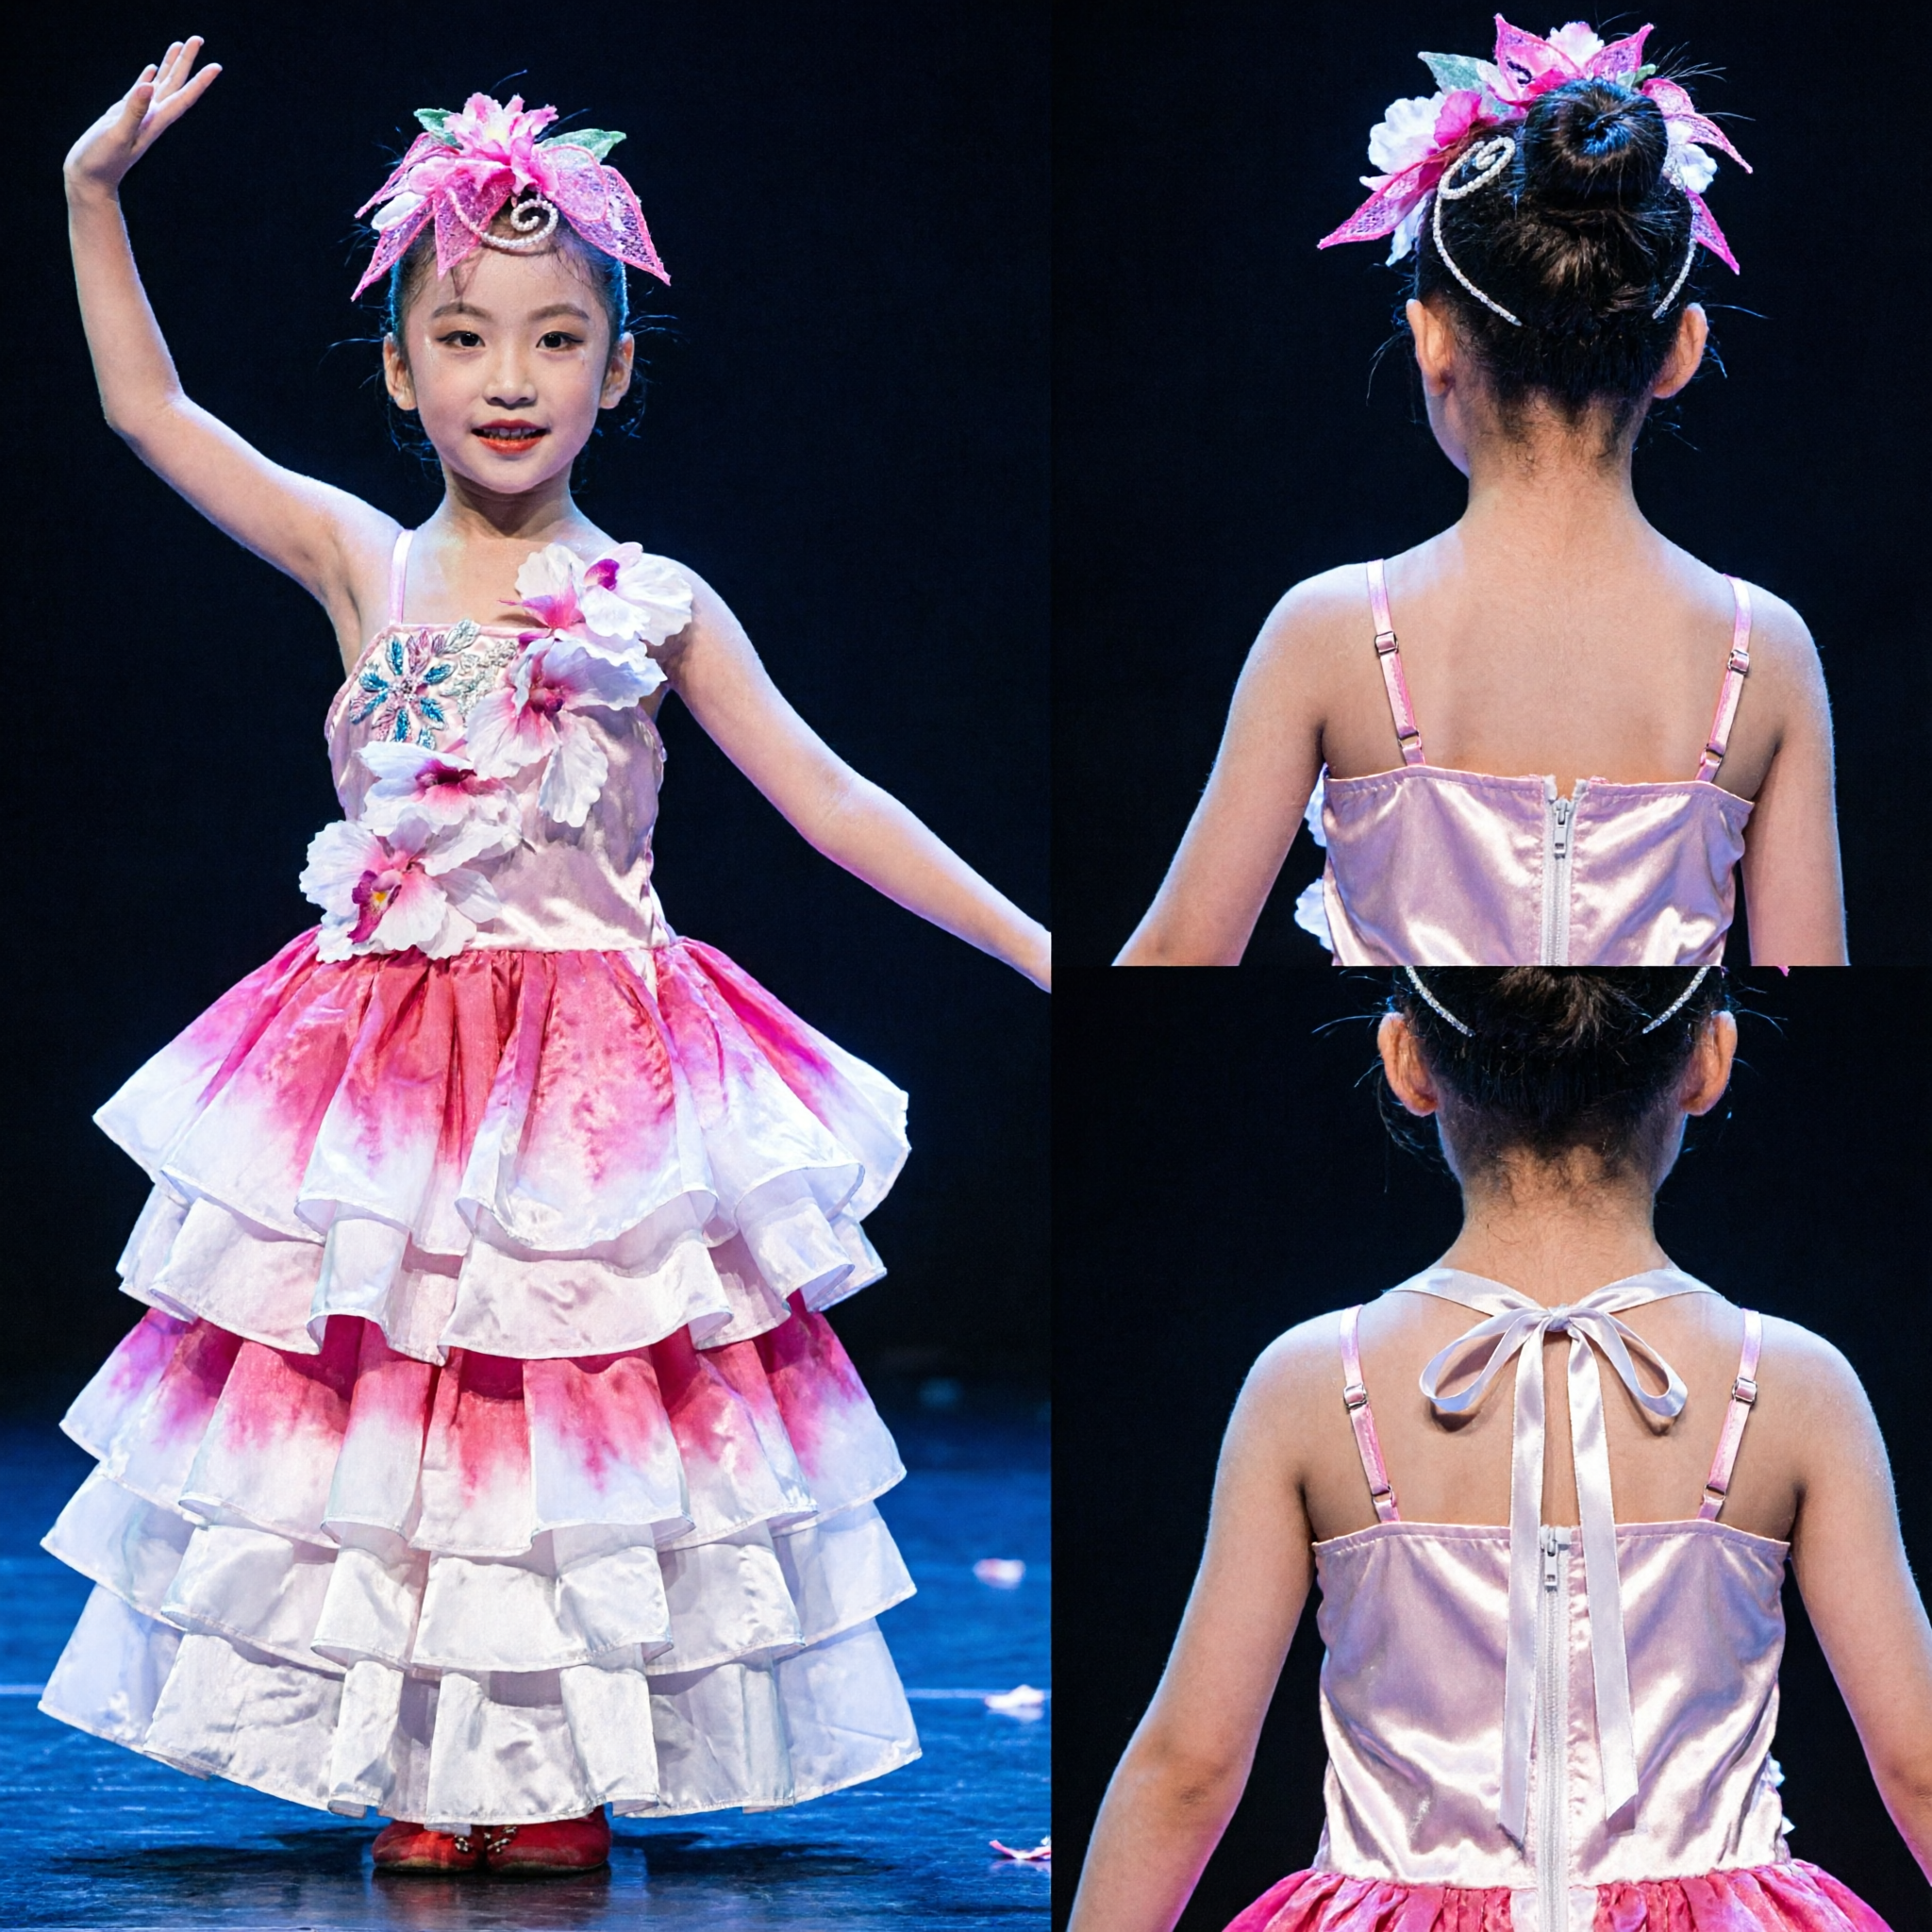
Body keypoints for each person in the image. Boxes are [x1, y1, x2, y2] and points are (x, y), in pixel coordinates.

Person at [42, 42, 1049, 1875]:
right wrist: (91, 196)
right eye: (467, 336)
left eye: (556, 336)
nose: (511, 377)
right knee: (394, 1418)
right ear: (403, 367)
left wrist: (1040, 946)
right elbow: (147, 413)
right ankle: (425, 1758)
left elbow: (828, 797)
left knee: (560, 1428)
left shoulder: (659, 600)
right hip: (382, 1072)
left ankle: (554, 1749)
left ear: (619, 364)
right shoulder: (366, 563)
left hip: (591, 1079)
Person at [1070, 969, 1926, 1930]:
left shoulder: (1314, 1378)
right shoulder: (1790, 1381)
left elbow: (1188, 1765)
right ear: (1707, 1057)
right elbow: (1918, 1762)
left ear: (1404, 1057)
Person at [1118, 19, 1846, 967]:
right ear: (1681, 348)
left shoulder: (1327, 632)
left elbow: (1175, 954)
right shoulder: (1765, 652)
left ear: (1429, 339)